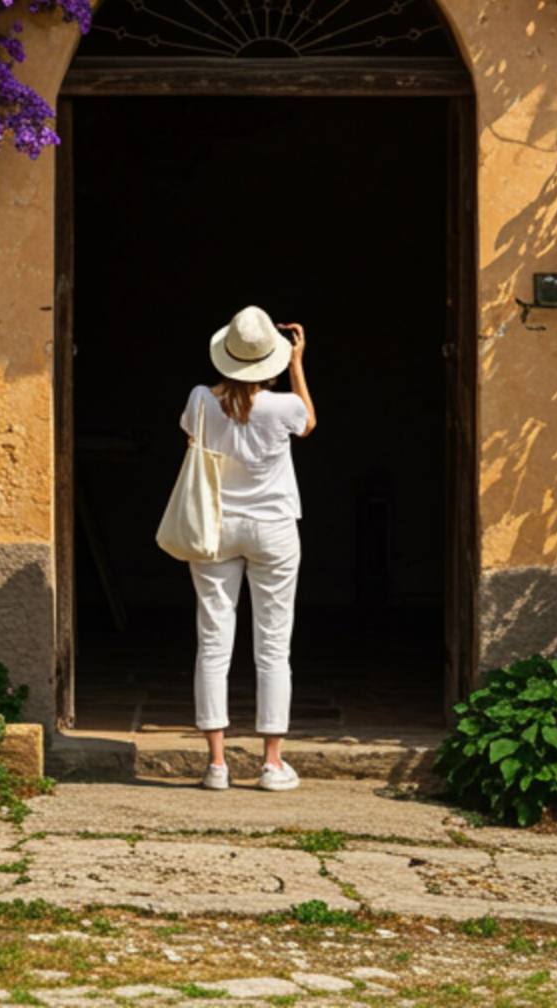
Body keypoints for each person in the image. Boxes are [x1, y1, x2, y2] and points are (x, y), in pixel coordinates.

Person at [182, 304, 316, 790]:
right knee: (273, 645)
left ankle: (217, 764)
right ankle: (272, 763)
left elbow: (193, 441)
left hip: (216, 527)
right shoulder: (283, 407)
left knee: (213, 640)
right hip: (274, 529)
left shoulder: (200, 399)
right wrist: (298, 365)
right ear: (271, 360)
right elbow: (308, 424)